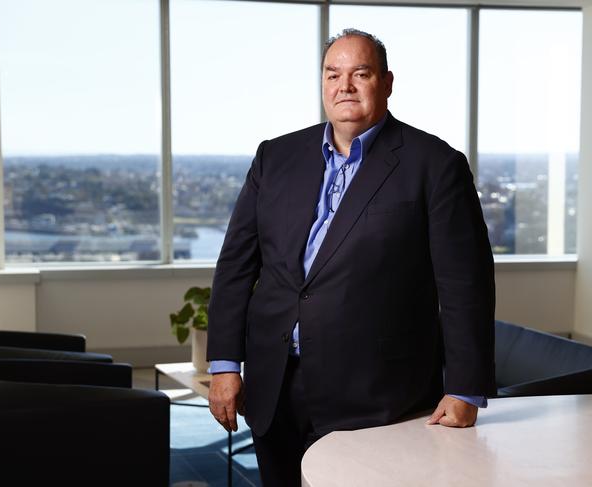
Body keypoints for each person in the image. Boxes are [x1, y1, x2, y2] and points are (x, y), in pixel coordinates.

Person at [207, 28, 496, 487]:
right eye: (333, 74)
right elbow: (236, 266)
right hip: (274, 383)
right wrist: (225, 364)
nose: (344, 86)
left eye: (360, 73)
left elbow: (466, 285)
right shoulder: (275, 157)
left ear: (386, 81)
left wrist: (465, 389)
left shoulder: (435, 164)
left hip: (376, 393)